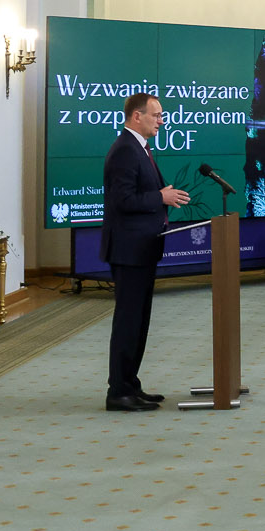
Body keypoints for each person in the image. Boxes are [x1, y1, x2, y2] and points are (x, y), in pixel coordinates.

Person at [99, 93, 189, 411]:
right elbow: (122, 201)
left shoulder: (140, 148)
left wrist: (160, 195)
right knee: (128, 322)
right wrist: (160, 197)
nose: (161, 121)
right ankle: (118, 392)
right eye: (156, 115)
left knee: (138, 322)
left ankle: (131, 385)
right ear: (137, 116)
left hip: (142, 248)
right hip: (129, 250)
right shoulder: (125, 150)